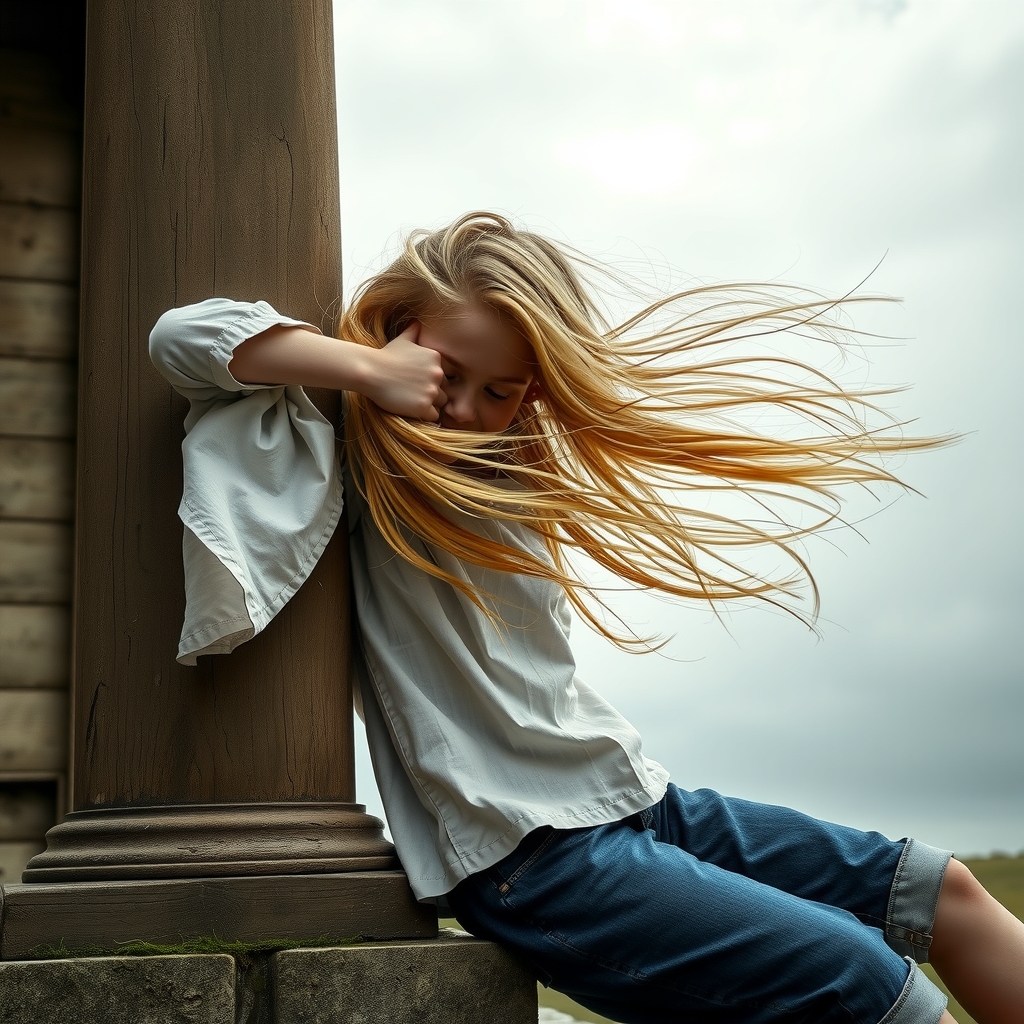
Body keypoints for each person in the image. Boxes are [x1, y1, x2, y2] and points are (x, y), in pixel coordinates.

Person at [150, 212, 1023, 1024]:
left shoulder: (517, 465)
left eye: (502, 391)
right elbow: (179, 337)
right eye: (449, 371)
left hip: (632, 800)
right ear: (398, 331)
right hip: (532, 859)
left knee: (939, 890)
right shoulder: (346, 438)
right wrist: (370, 371)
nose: (466, 409)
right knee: (871, 984)